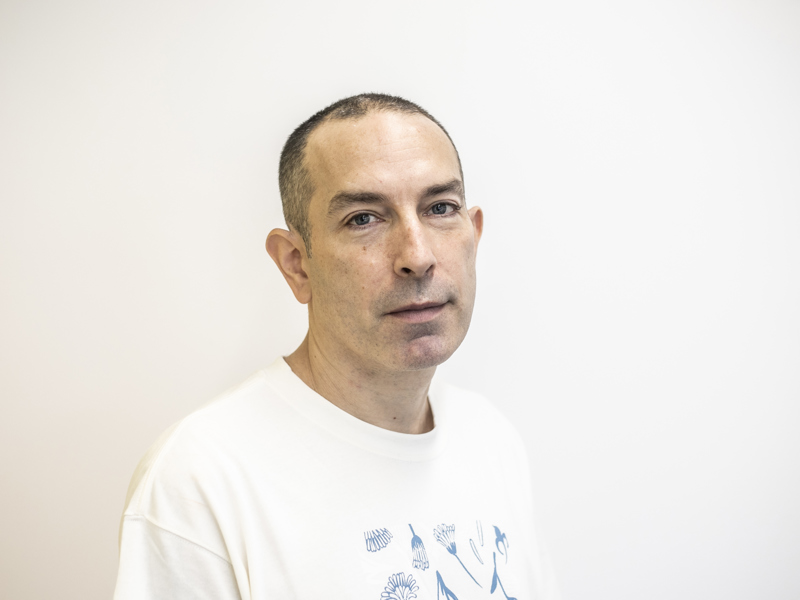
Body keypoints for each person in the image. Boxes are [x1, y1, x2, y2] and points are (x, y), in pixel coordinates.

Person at [113, 93, 558, 599]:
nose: (417, 255)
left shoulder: (491, 441)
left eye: (439, 208)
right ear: (296, 264)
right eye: (364, 218)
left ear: (472, 235)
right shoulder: (201, 481)